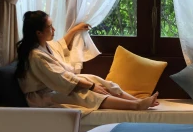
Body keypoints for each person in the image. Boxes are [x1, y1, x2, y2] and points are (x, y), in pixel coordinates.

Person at [15, 11, 159, 111]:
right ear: (38, 33)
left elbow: (61, 45)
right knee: (85, 94)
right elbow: (61, 78)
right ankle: (136, 106)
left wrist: (75, 30)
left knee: (96, 79)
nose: (53, 29)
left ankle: (135, 100)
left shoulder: (45, 45)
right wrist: (91, 87)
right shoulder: (36, 56)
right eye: (49, 27)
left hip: (57, 85)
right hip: (43, 95)